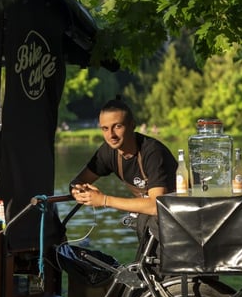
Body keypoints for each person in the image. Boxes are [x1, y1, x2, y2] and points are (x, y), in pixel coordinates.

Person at [69, 97, 177, 254]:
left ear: (132, 125)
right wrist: (78, 192)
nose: (111, 135)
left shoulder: (152, 152)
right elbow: (77, 181)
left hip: (179, 224)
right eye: (105, 129)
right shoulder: (107, 152)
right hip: (151, 225)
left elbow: (156, 206)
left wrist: (104, 200)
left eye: (117, 127)